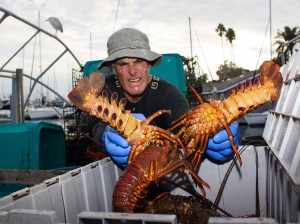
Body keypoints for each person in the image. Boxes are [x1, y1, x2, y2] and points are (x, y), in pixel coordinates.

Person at [90, 28, 240, 167]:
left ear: (148, 64)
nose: (132, 71)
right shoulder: (104, 87)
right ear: (113, 69)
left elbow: (187, 127)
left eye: (138, 61)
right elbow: (94, 123)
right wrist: (105, 134)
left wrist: (212, 136)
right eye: (123, 64)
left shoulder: (170, 94)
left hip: (160, 168)